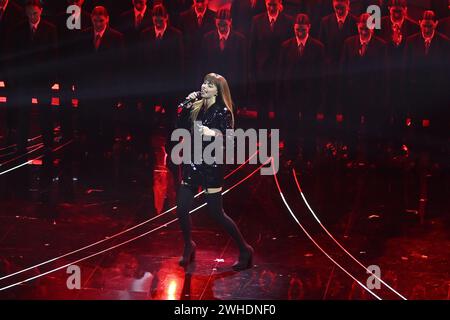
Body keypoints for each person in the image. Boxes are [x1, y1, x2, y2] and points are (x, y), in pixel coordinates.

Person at [174, 73, 254, 270]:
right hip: (193, 161)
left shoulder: (223, 111)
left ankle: (245, 249)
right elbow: (179, 124)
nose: (205, 86)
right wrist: (186, 103)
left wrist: (212, 133)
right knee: (182, 207)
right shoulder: (197, 105)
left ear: (218, 91)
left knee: (216, 213)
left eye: (210, 85)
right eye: (204, 82)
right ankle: (188, 245)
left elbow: (228, 139)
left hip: (211, 165)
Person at [277, 13, 325, 164]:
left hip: (310, 95)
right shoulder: (285, 46)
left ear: (309, 28)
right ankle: (291, 154)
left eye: (303, 30)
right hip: (290, 94)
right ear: (294, 28)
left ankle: (308, 156)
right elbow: (280, 72)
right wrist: (281, 95)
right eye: (298, 29)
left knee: (309, 125)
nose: (300, 33)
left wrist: (319, 97)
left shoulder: (318, 47)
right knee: (290, 126)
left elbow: (322, 74)